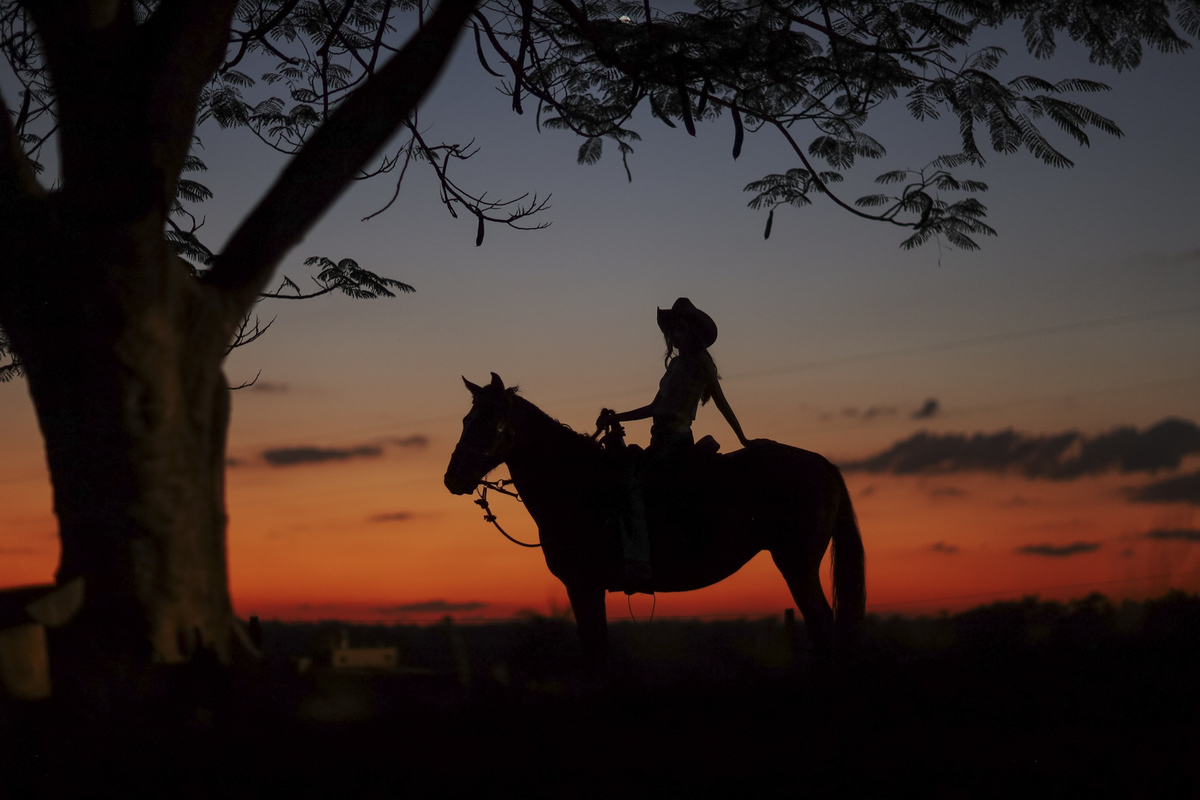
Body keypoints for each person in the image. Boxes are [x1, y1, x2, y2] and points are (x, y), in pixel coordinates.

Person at [596, 298, 753, 593]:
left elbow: (720, 400)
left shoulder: (700, 361)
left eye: (681, 329)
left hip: (676, 442)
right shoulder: (676, 365)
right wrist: (617, 417)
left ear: (692, 332)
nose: (676, 336)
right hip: (659, 440)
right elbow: (654, 407)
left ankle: (639, 562)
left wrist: (742, 437)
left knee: (631, 484)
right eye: (673, 331)